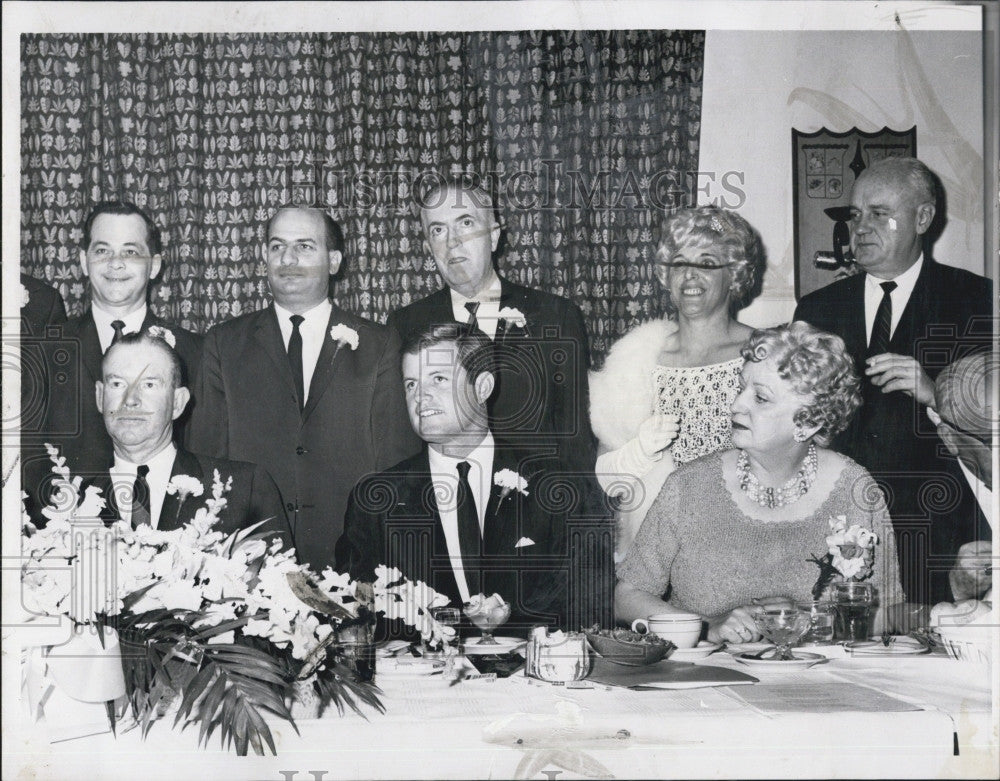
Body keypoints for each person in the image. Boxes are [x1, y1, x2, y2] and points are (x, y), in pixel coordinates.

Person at [615, 322, 904, 643]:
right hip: (708, 678)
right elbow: (627, 596)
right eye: (741, 388)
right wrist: (706, 625)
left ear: (809, 422)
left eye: (761, 398)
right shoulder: (688, 486)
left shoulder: (854, 488)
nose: (737, 404)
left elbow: (890, 612)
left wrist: (808, 621)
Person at [794, 157, 992, 605]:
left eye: (880, 213)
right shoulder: (816, 310)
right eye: (855, 214)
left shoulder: (977, 299)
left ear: (923, 217)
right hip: (837, 529)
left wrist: (935, 392)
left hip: (942, 533)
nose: (860, 227)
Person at [335, 324, 613, 634]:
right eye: (411, 384)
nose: (420, 397)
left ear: (483, 387)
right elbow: (355, 615)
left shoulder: (560, 485)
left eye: (438, 379)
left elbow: (587, 604)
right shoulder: (376, 499)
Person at [189, 206, 419, 569]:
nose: (288, 259)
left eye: (305, 246)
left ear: (334, 261)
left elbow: (397, 468)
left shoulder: (379, 344)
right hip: (250, 566)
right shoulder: (223, 343)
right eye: (277, 246)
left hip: (352, 560)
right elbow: (207, 465)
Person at [386, 175, 595, 477]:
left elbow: (576, 441)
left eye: (466, 223)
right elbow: (402, 441)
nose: (452, 242)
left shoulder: (555, 316)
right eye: (438, 230)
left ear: (494, 236)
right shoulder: (405, 324)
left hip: (534, 509)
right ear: (429, 245)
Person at [589, 206, 765, 557]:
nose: (690, 275)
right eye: (679, 263)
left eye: (706, 263)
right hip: (658, 552)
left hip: (746, 547)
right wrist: (640, 449)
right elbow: (607, 479)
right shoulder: (637, 358)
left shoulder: (764, 354)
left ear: (734, 275)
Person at [24, 202, 202, 519]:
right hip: (67, 539)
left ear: (155, 264)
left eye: (131, 252)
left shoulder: (195, 350)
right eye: (103, 251)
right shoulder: (43, 350)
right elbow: (30, 459)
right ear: (83, 261)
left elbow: (204, 455)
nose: (115, 264)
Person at [87, 331, 289, 539]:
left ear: (178, 403)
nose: (130, 400)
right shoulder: (67, 499)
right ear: (100, 396)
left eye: (149, 384)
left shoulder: (244, 490)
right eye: (117, 384)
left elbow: (284, 571)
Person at [927, 353, 994, 601]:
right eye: (992, 441)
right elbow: (896, 614)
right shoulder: (918, 503)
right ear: (949, 438)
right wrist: (957, 589)